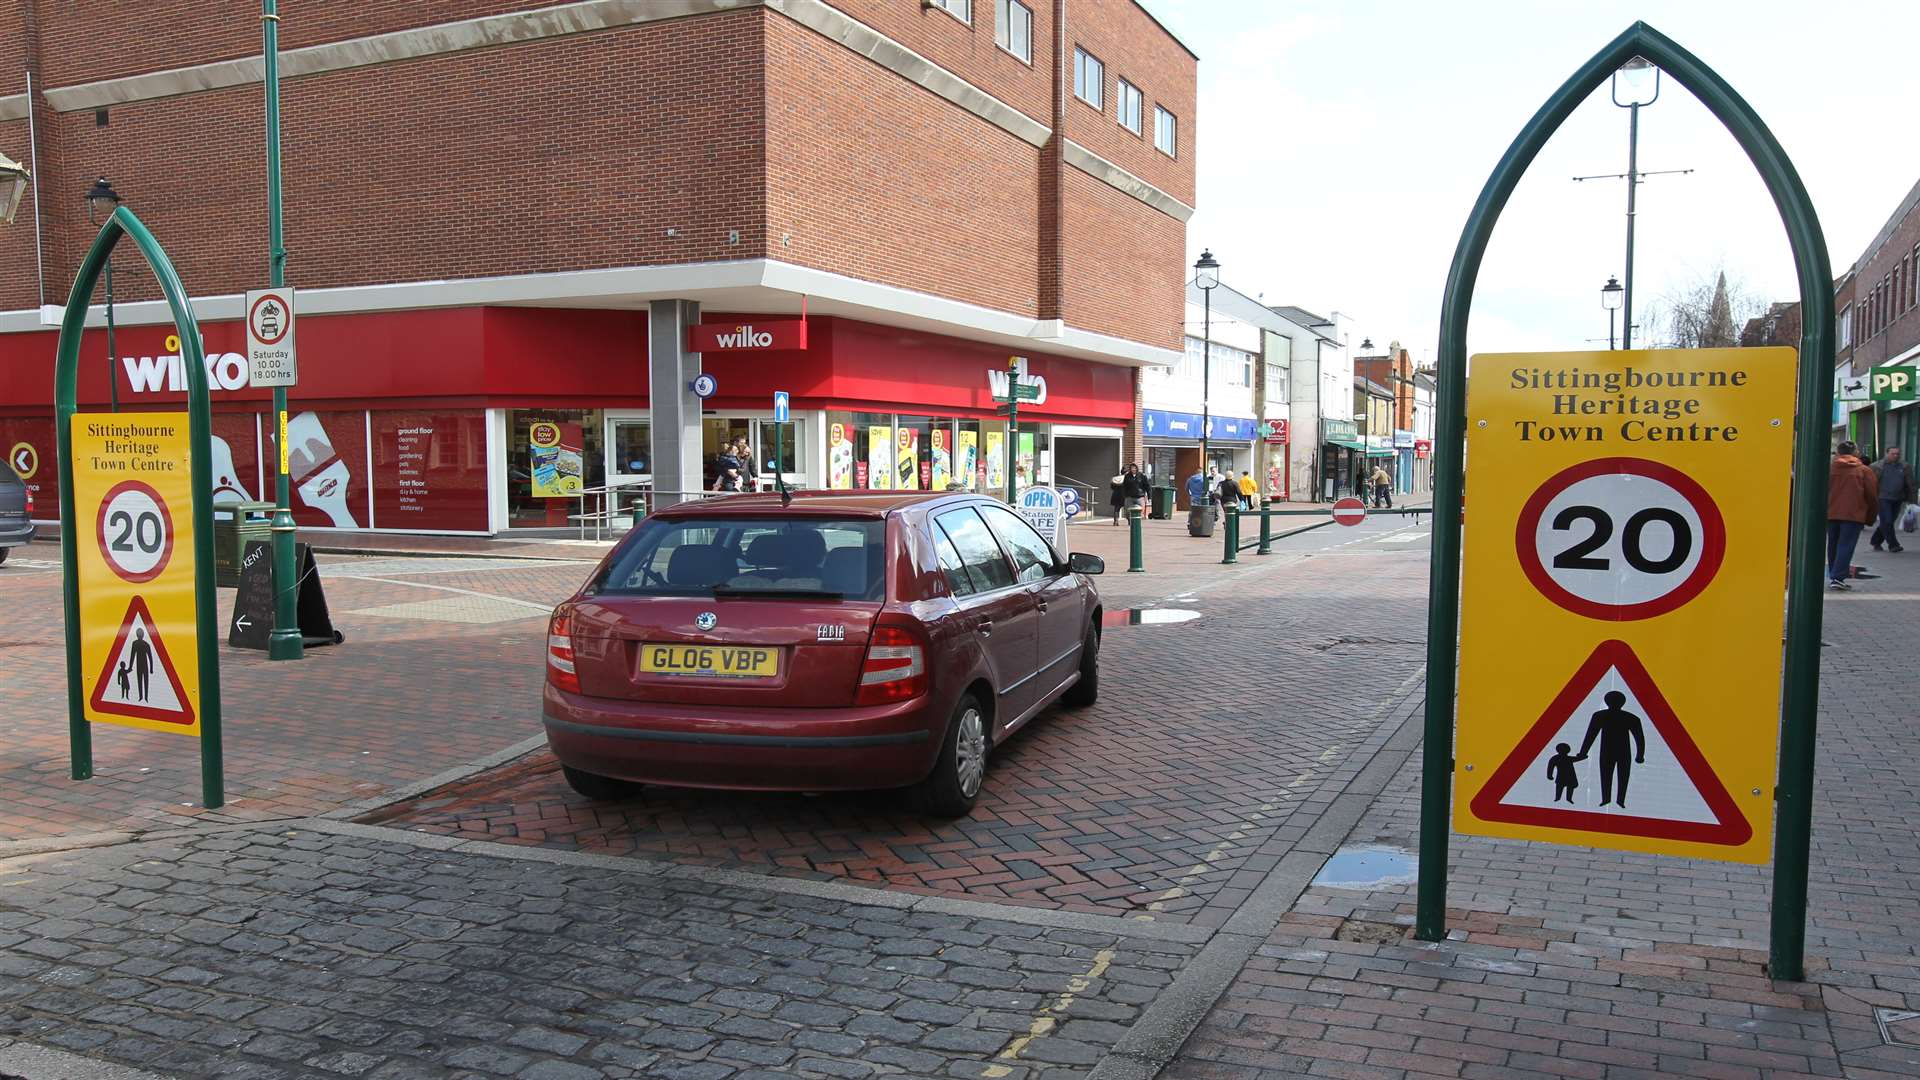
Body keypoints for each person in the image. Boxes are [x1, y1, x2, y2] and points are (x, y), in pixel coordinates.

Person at [1575, 690, 1645, 808]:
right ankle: (1611, 799)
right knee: (1615, 775)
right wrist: (1639, 755)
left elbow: (1639, 738)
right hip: (1615, 751)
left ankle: (1616, 800)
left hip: (1613, 751)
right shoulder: (1628, 717)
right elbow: (1591, 735)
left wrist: (1583, 753)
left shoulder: (1603, 716)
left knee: (1613, 775)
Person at [1828, 440, 1879, 590]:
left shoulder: (1830, 468)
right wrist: (1870, 517)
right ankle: (1837, 577)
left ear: (1838, 452)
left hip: (1831, 513)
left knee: (1833, 545)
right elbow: (1872, 496)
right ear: (1855, 452)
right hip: (1853, 514)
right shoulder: (1864, 471)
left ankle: (1834, 574)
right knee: (1846, 545)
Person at [1870, 446, 1916, 553]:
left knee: (1889, 522)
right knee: (1887, 520)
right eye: (1893, 453)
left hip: (1897, 498)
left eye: (1897, 454)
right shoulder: (1877, 466)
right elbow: (1870, 483)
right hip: (1882, 498)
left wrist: (1913, 500)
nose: (1895, 456)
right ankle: (1893, 544)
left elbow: (1911, 484)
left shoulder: (1905, 466)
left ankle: (1875, 541)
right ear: (1887, 454)